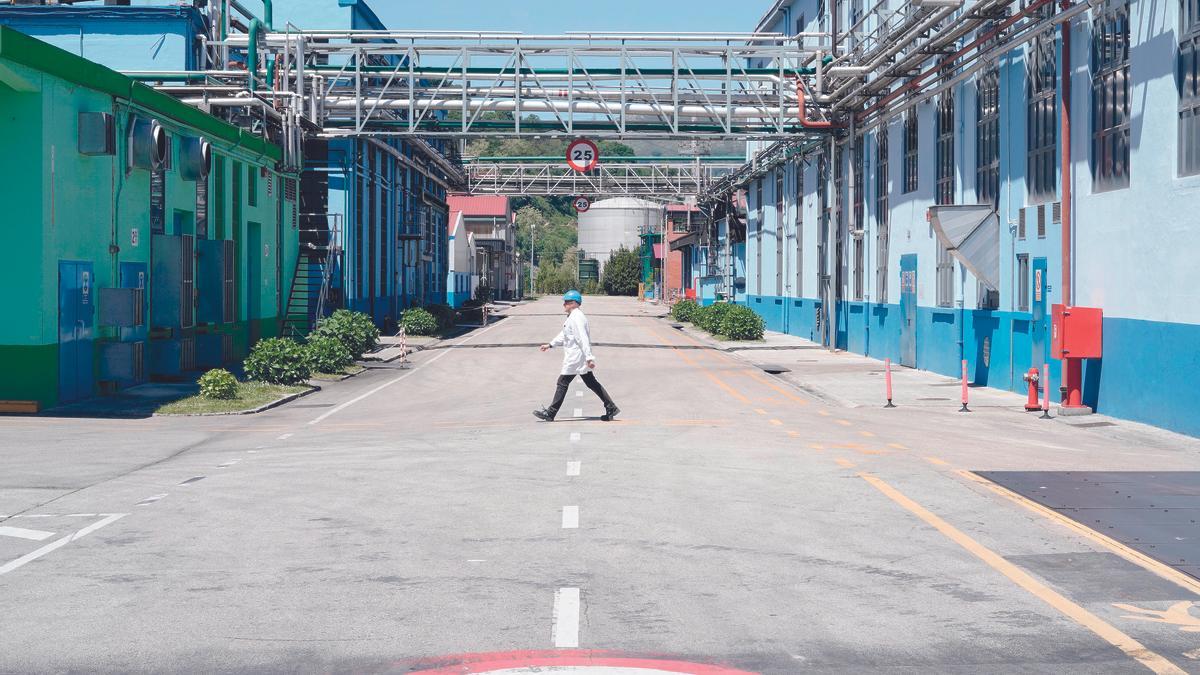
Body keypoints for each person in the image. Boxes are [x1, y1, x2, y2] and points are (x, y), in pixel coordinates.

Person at [533, 290, 620, 422]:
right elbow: (565, 335)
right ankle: (611, 406)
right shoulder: (572, 317)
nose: (564, 305)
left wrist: (589, 357)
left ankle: (551, 413)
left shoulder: (577, 317)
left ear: (573, 303)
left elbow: (582, 338)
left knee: (562, 382)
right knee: (591, 382)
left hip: (576, 357)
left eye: (566, 302)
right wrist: (550, 344)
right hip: (577, 356)